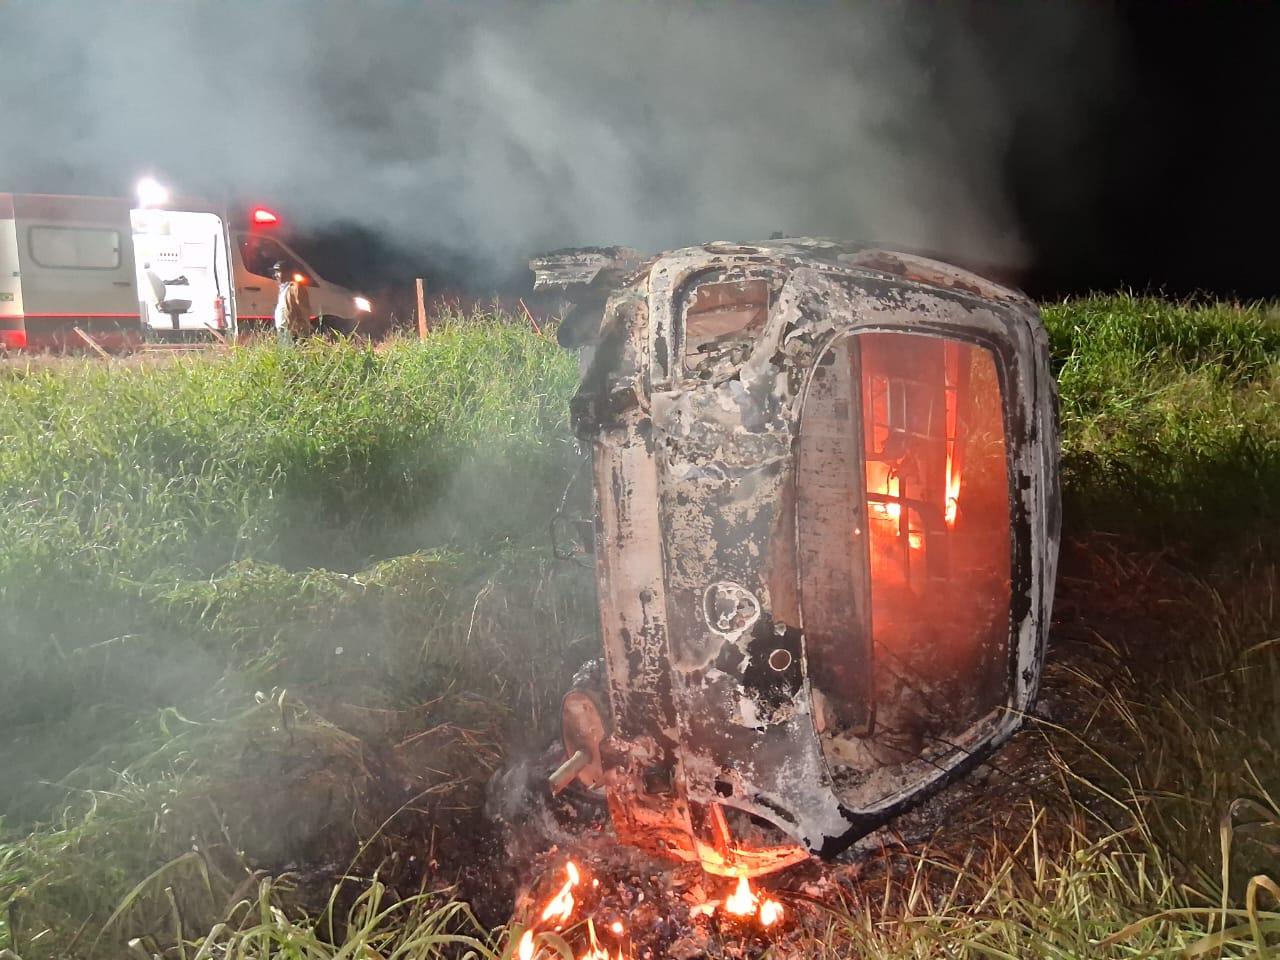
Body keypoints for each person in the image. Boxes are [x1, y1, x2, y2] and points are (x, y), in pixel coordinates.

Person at [272, 261, 313, 344]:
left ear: (288, 272)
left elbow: (304, 310)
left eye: (278, 272)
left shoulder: (295, 288)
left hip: (292, 333)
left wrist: (302, 332)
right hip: (283, 332)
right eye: (275, 272)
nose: (276, 275)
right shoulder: (283, 288)